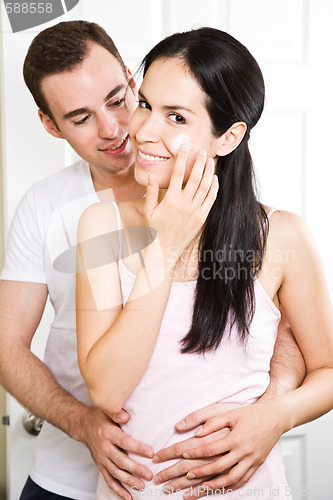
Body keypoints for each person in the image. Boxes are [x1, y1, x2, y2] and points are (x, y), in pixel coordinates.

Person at [0, 20, 304, 500]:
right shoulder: (60, 211)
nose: (118, 128)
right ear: (49, 125)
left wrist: (274, 407)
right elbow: (8, 345)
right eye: (80, 117)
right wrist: (82, 423)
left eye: (122, 100)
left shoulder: (259, 222)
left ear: (131, 77)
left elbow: (279, 331)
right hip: (75, 471)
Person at [76, 27, 333, 500]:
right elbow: (107, 391)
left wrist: (276, 416)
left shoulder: (281, 235)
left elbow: (328, 369)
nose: (145, 131)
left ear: (228, 137)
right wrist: (165, 246)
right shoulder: (101, 225)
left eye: (176, 117)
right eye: (146, 104)